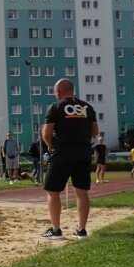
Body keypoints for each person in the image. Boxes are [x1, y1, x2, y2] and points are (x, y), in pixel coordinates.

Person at [40, 78, 98, 240]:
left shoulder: (56, 106)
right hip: (83, 152)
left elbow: (46, 133)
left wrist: (51, 146)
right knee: (81, 191)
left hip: (63, 152)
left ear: (58, 92)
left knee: (52, 191)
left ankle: (56, 230)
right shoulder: (87, 107)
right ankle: (81, 230)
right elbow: (95, 130)